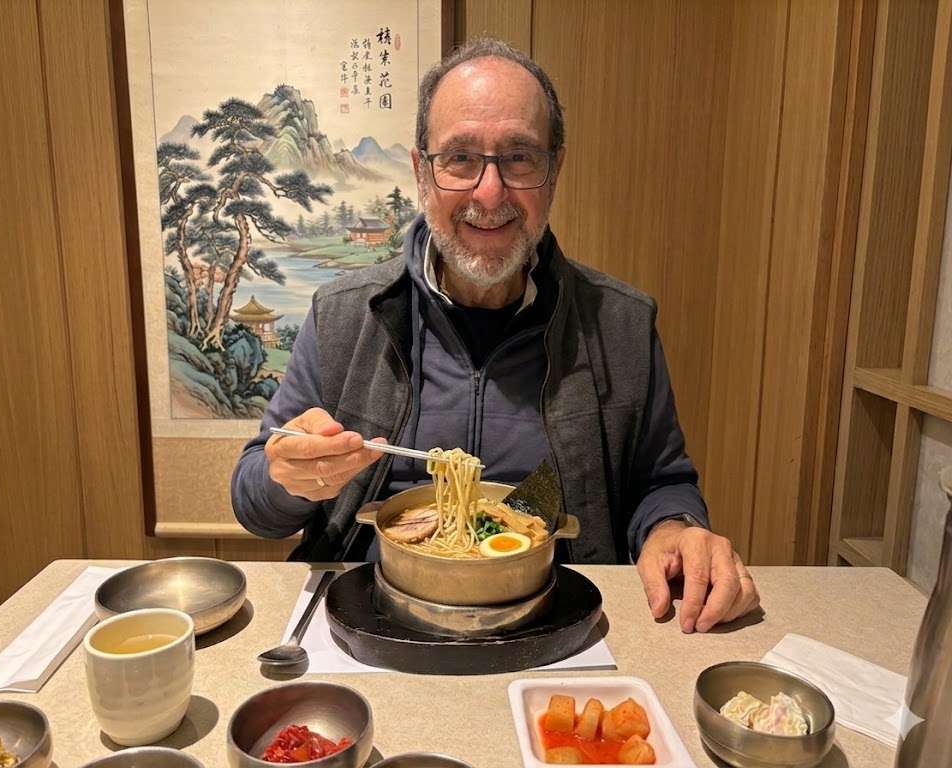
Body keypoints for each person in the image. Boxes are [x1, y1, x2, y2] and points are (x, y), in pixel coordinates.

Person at [232, 38, 760, 633]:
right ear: (422, 172)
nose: (489, 192)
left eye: (519, 158)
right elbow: (256, 505)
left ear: (554, 171)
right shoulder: (344, 315)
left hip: (551, 623)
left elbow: (662, 484)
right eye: (460, 158)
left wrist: (675, 529)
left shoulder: (621, 324)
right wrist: (290, 477)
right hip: (371, 619)